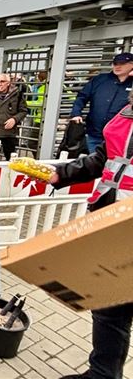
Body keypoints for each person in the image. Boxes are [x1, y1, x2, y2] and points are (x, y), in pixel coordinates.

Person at [51, 89, 133, 379]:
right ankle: (102, 374)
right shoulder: (125, 116)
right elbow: (104, 158)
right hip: (111, 224)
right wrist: (62, 173)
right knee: (110, 306)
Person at [70, 52, 133, 153]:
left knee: (113, 165)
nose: (118, 66)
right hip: (94, 134)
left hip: (119, 137)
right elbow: (81, 97)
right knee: (93, 164)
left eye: (122, 63)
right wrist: (76, 114)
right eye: (115, 63)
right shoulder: (99, 80)